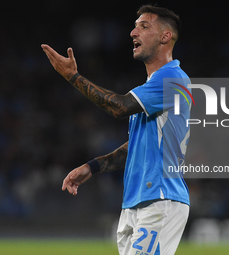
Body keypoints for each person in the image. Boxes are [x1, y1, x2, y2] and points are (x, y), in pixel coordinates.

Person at [42, 5, 191, 255]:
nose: (133, 32)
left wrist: (73, 77)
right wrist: (93, 166)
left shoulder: (173, 79)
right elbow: (135, 148)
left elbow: (119, 107)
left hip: (160, 198)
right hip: (135, 203)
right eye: (135, 26)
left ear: (166, 36)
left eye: (144, 27)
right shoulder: (151, 87)